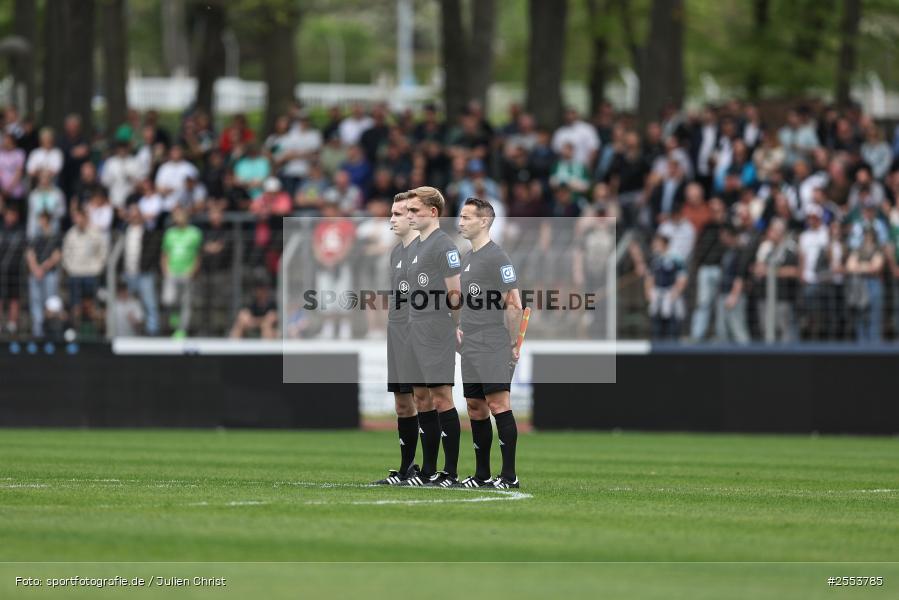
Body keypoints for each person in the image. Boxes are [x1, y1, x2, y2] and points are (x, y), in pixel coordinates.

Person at [456, 197, 523, 489]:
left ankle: (509, 476)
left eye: (467, 217)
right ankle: (482, 474)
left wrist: (512, 343)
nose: (461, 222)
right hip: (469, 341)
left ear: (484, 221)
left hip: (492, 339)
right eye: (460, 216)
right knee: (474, 406)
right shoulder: (468, 257)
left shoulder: (497, 257)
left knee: (498, 404)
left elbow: (515, 304)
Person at [402, 186, 462, 487]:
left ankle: (449, 473)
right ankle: (426, 471)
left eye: (415, 210)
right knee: (421, 398)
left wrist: (457, 326)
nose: (409, 215)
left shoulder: (443, 246)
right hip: (415, 327)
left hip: (436, 328)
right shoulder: (415, 247)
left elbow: (455, 293)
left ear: (433, 212)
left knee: (441, 398)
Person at [373, 192, 426, 486]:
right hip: (398, 332)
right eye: (391, 213)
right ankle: (407, 468)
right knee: (403, 403)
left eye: (397, 214)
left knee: (425, 399)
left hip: (420, 333)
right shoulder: (396, 253)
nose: (391, 219)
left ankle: (431, 470)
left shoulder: (427, 249)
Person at [62, 208, 108, 330]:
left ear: (85, 218)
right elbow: (66, 254)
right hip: (75, 274)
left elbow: (103, 252)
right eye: (76, 218)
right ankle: (75, 330)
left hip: (91, 274)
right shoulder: (70, 234)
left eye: (79, 218)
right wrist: (70, 268)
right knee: (75, 306)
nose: (77, 221)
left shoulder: (95, 233)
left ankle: (95, 331)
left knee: (92, 306)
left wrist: (97, 268)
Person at [161, 207, 203, 338]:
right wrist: (165, 270)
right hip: (172, 272)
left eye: (180, 215)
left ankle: (181, 330)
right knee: (168, 299)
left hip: (187, 272)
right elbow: (164, 254)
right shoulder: (169, 233)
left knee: (186, 303)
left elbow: (198, 255)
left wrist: (193, 271)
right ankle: (174, 316)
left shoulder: (195, 233)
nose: (178, 218)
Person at [122, 205, 162, 336]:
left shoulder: (148, 232)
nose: (133, 216)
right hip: (128, 273)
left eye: (136, 213)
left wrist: (144, 267)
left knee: (149, 304)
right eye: (131, 213)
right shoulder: (124, 232)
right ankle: (133, 332)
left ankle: (152, 332)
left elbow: (152, 251)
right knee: (132, 305)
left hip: (144, 273)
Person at [26, 212, 62, 338]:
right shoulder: (35, 236)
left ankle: (52, 331)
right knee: (36, 303)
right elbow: (30, 254)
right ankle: (38, 333)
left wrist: (43, 268)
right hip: (36, 273)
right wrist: (35, 269)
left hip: (49, 273)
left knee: (51, 302)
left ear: (48, 220)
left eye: (42, 219)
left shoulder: (55, 236)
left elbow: (56, 256)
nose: (40, 222)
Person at [845, 226, 885, 343]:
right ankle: (861, 345)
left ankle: (875, 346)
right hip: (859, 284)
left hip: (873, 284)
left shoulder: (878, 249)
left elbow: (876, 268)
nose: (868, 237)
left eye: (870, 234)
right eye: (866, 234)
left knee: (874, 316)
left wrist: (859, 266)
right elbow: (849, 267)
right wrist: (867, 266)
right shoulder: (858, 250)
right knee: (860, 315)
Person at [645, 233, 687, 340]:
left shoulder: (676, 257)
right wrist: (648, 291)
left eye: (657, 243)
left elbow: (682, 277)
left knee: (672, 321)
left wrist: (676, 292)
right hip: (657, 293)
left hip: (670, 293)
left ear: (664, 243)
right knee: (656, 322)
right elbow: (650, 276)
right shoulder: (655, 258)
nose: (654, 245)